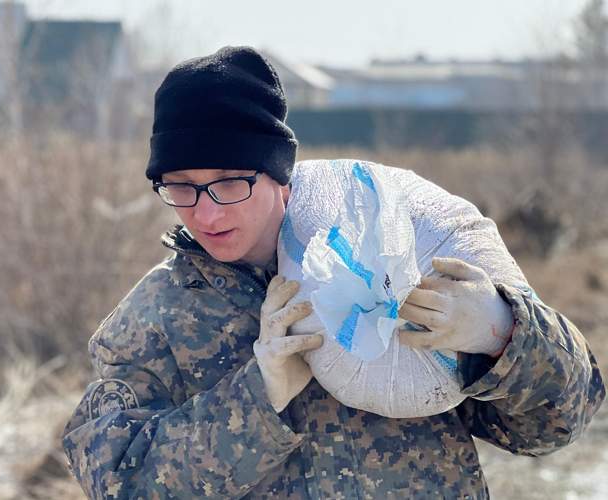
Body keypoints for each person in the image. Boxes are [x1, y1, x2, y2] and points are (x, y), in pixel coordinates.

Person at [62, 46, 605, 499]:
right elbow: (116, 477)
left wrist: (502, 334)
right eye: (180, 186)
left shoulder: (393, 261)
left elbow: (557, 425)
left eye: (229, 182)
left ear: (279, 177)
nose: (204, 212)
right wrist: (256, 396)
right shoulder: (157, 317)